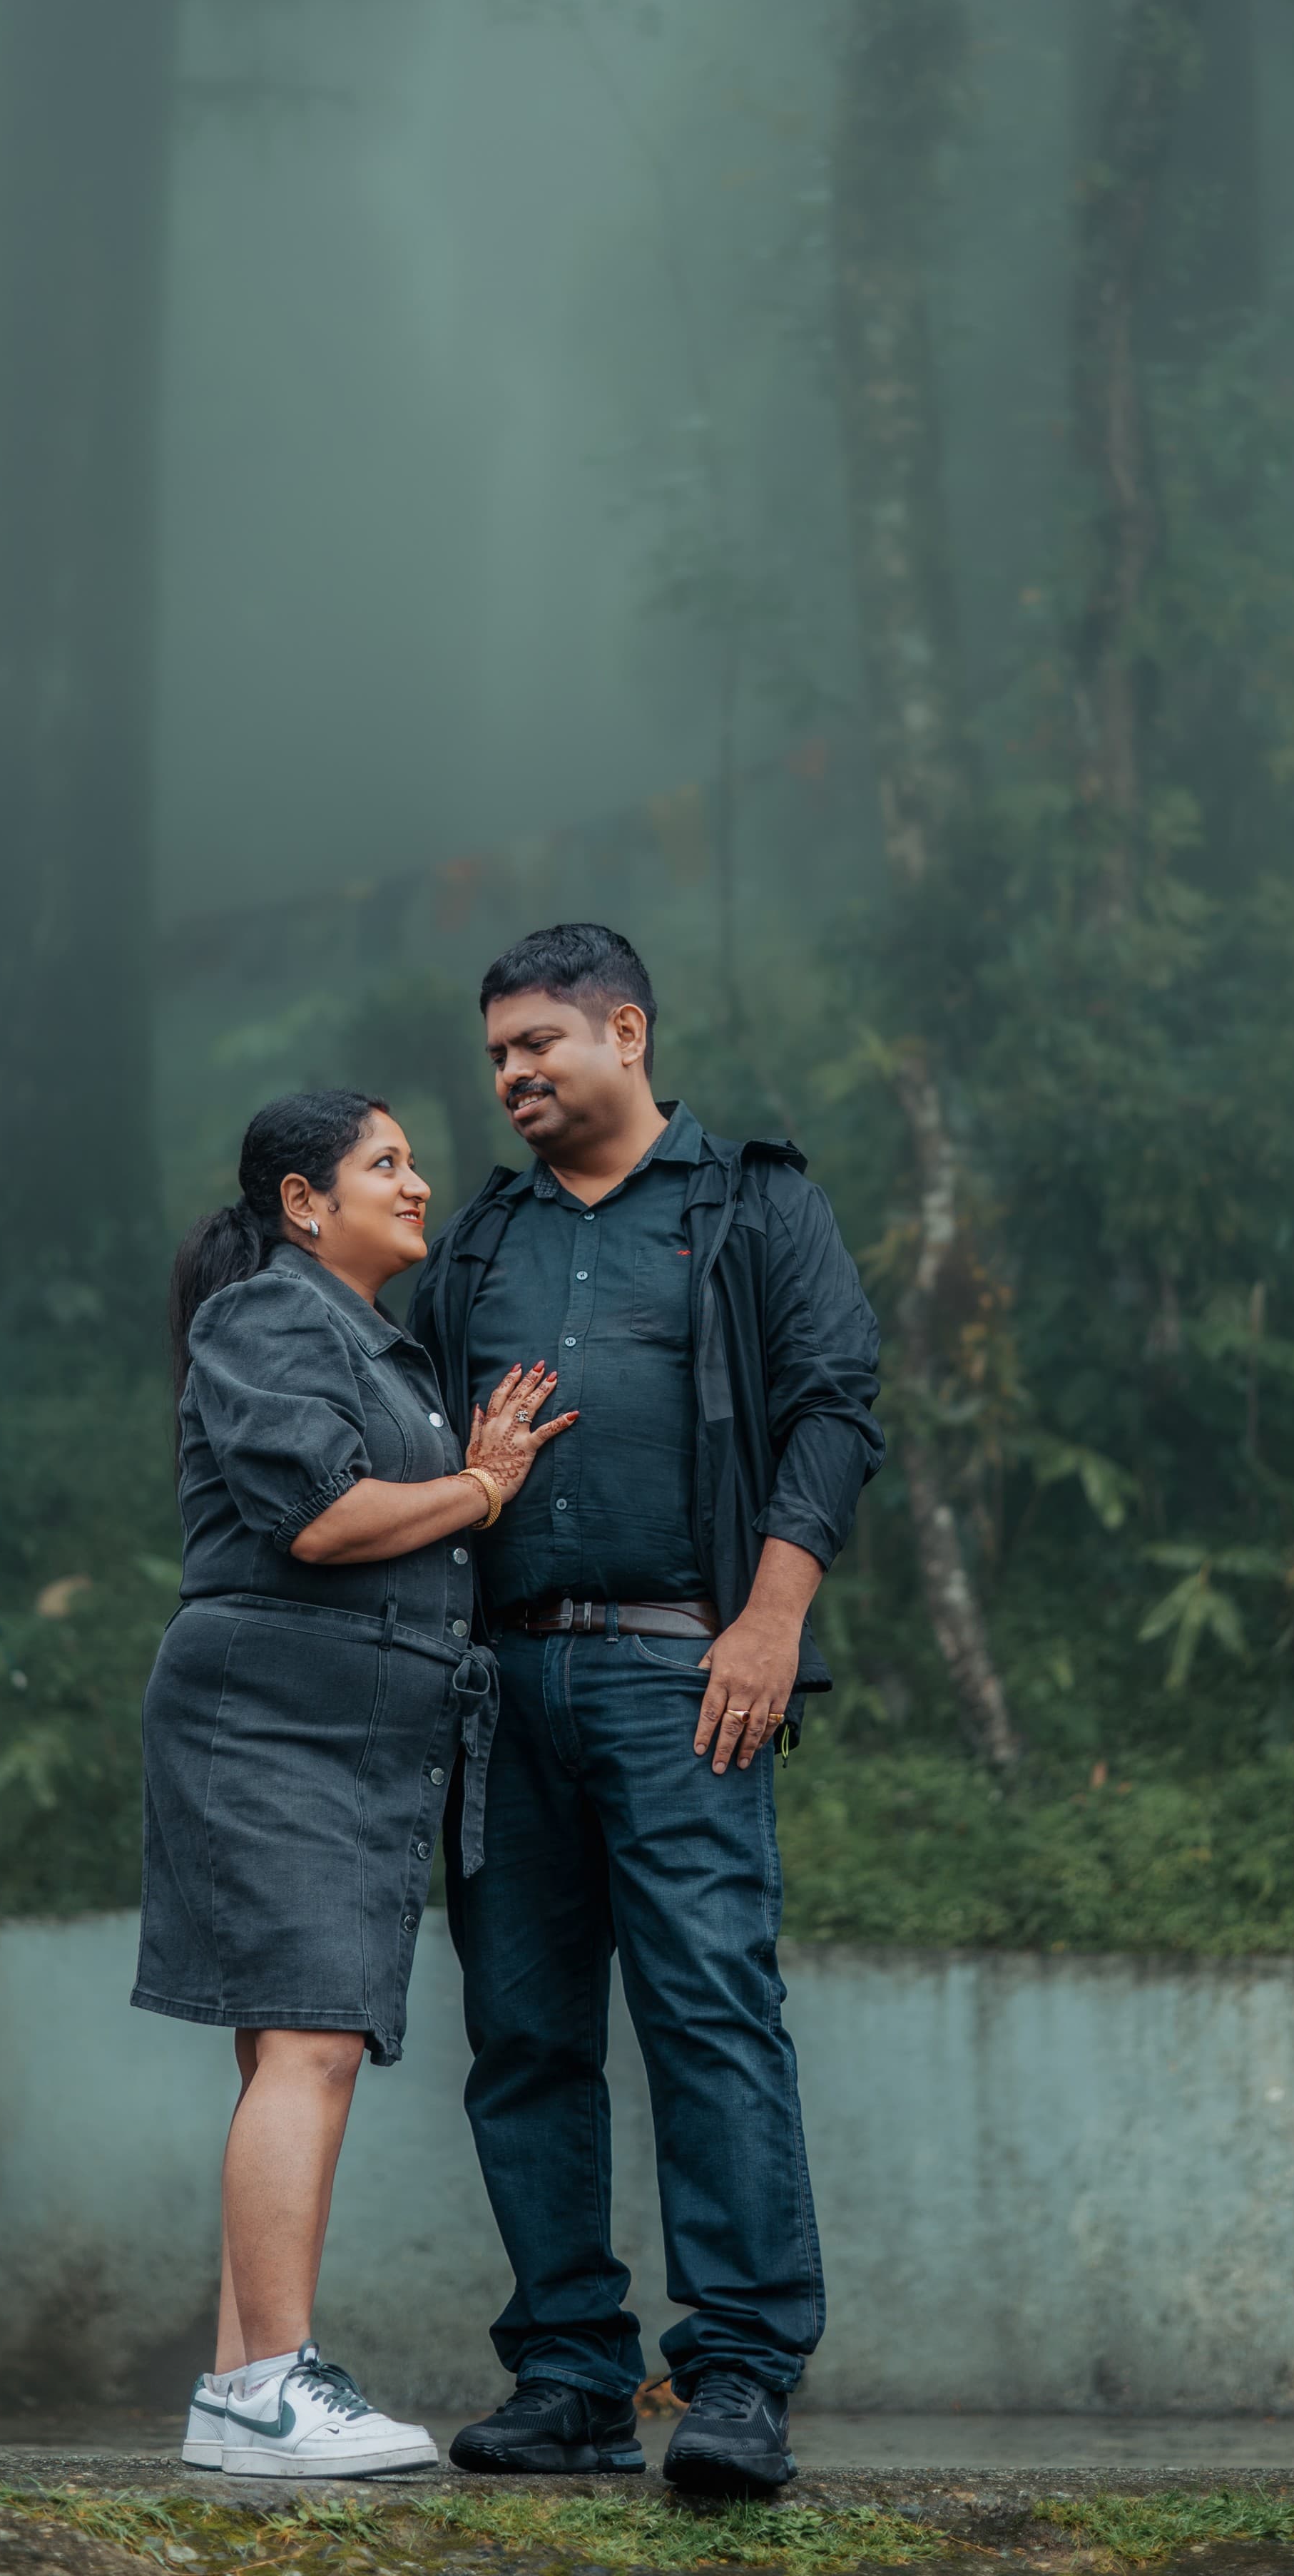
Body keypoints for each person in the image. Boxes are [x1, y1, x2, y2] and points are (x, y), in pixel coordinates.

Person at [410, 925, 884, 2495]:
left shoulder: (753, 1201)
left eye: (539, 1040)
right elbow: (419, 1451)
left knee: (709, 2017)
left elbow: (832, 1408)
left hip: (687, 1673)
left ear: (626, 1029)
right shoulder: (479, 1237)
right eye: (494, 1056)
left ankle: (738, 2376)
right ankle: (568, 2375)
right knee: (525, 2035)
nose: (513, 1074)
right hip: (502, 1681)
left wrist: (768, 1617)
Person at [136, 1088, 573, 2479]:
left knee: (293, 2044)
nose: (418, 1179)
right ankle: (274, 2380)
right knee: (312, 2039)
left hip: (343, 1727)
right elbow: (321, 1513)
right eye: (383, 1160)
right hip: (272, 1716)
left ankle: (230, 2387)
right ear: (302, 1202)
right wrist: (484, 1485)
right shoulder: (269, 1312)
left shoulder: (366, 1338)